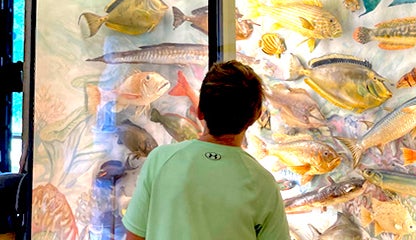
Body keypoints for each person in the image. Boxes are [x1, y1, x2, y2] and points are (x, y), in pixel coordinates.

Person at [122, 59, 291, 239]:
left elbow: (134, 236)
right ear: (254, 117)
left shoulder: (160, 160)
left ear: (200, 111)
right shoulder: (263, 183)